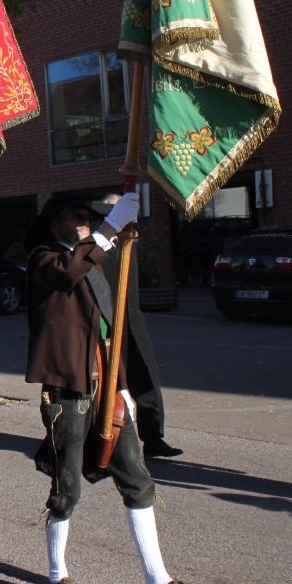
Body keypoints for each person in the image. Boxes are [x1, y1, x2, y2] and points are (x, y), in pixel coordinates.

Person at [24, 191, 211, 584]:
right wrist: (109, 230)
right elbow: (67, 273)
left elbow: (109, 329)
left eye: (89, 217)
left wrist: (123, 385)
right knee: (67, 487)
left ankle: (158, 582)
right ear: (54, 224)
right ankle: (57, 576)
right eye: (75, 216)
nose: (85, 221)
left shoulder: (92, 261)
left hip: (107, 388)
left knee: (137, 479)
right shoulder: (44, 259)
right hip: (68, 391)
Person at [94, 194, 182, 460]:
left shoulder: (129, 238)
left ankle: (154, 437)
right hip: (107, 321)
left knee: (146, 378)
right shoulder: (97, 241)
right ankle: (105, 439)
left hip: (133, 320)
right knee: (108, 383)